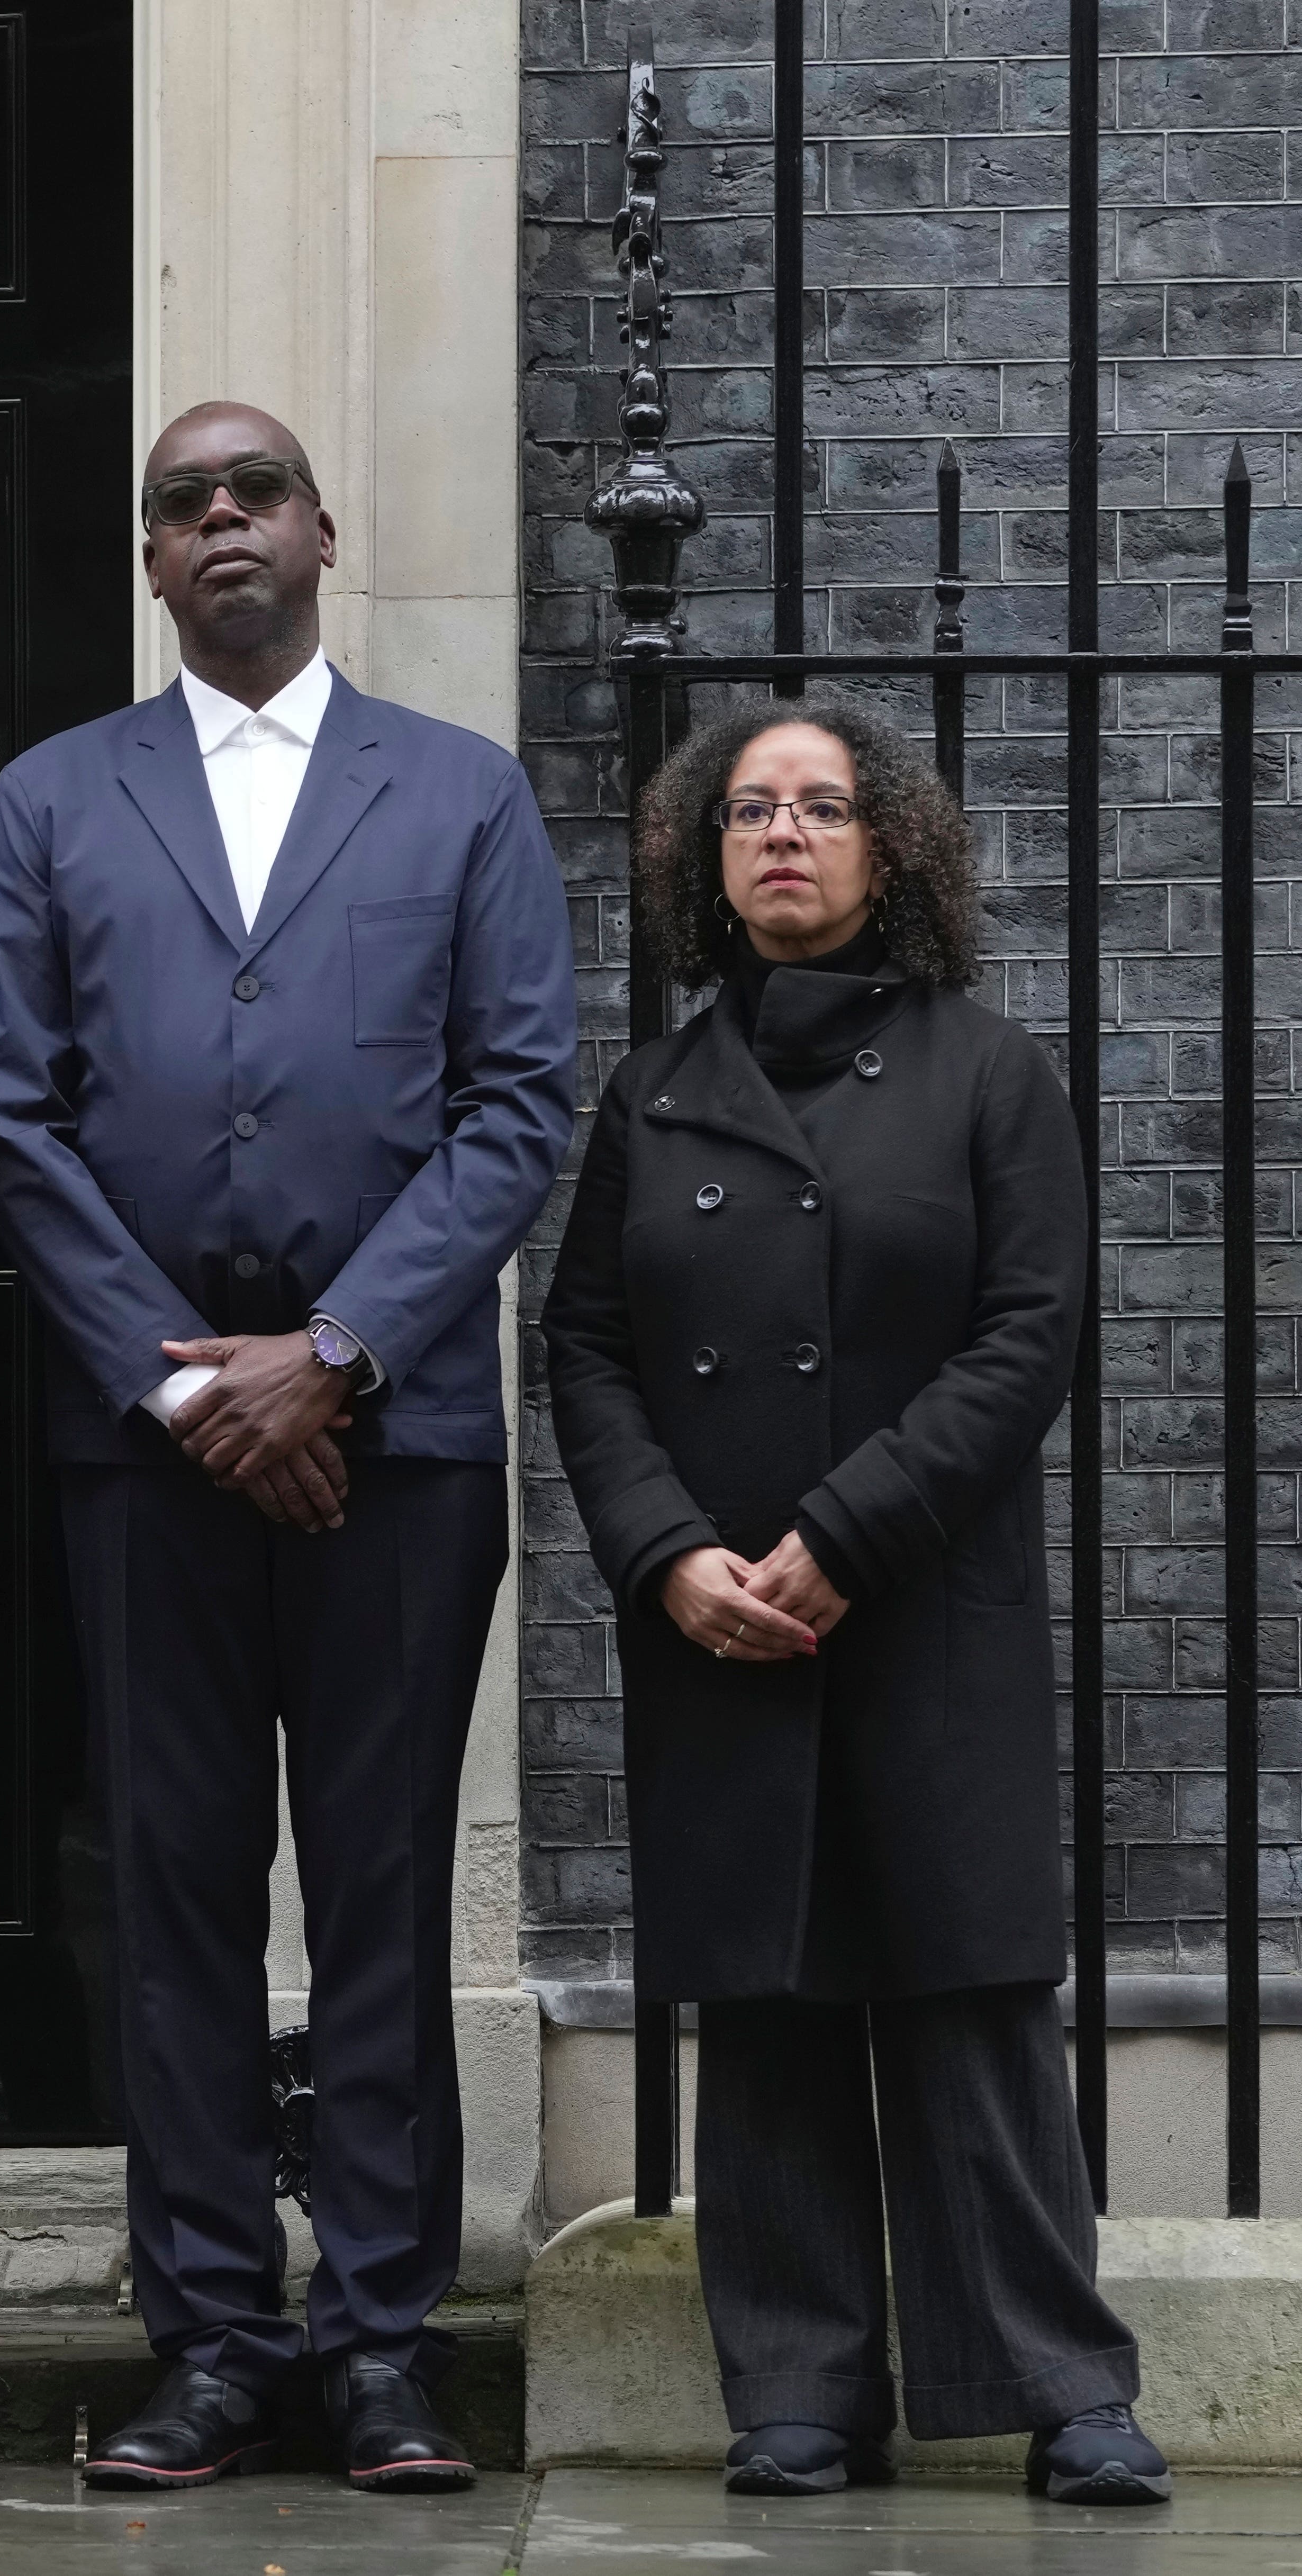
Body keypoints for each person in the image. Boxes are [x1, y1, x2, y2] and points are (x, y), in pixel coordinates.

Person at [0, 404, 575, 2492]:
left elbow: (519, 1102)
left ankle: (382, 2340)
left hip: (397, 1452)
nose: (217, 521)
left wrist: (334, 1353)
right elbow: (12, 1110)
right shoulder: (54, 798)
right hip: (144, 1453)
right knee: (172, 1893)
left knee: (388, 1891)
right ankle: (212, 2334)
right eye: (177, 502)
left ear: (321, 527)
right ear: (146, 559)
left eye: (251, 491)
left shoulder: (461, 793)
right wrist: (203, 1388)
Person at [541, 698, 1172, 2507]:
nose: (783, 837)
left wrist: (841, 1529)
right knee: (768, 2001)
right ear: (703, 859)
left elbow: (1024, 1336)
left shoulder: (986, 1071)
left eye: (821, 808)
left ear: (885, 848)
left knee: (968, 2002)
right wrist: (670, 1553)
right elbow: (583, 1347)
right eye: (749, 811)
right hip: (721, 1617)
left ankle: (1060, 2383)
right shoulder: (647, 1093)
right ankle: (799, 2383)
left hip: (917, 1607)